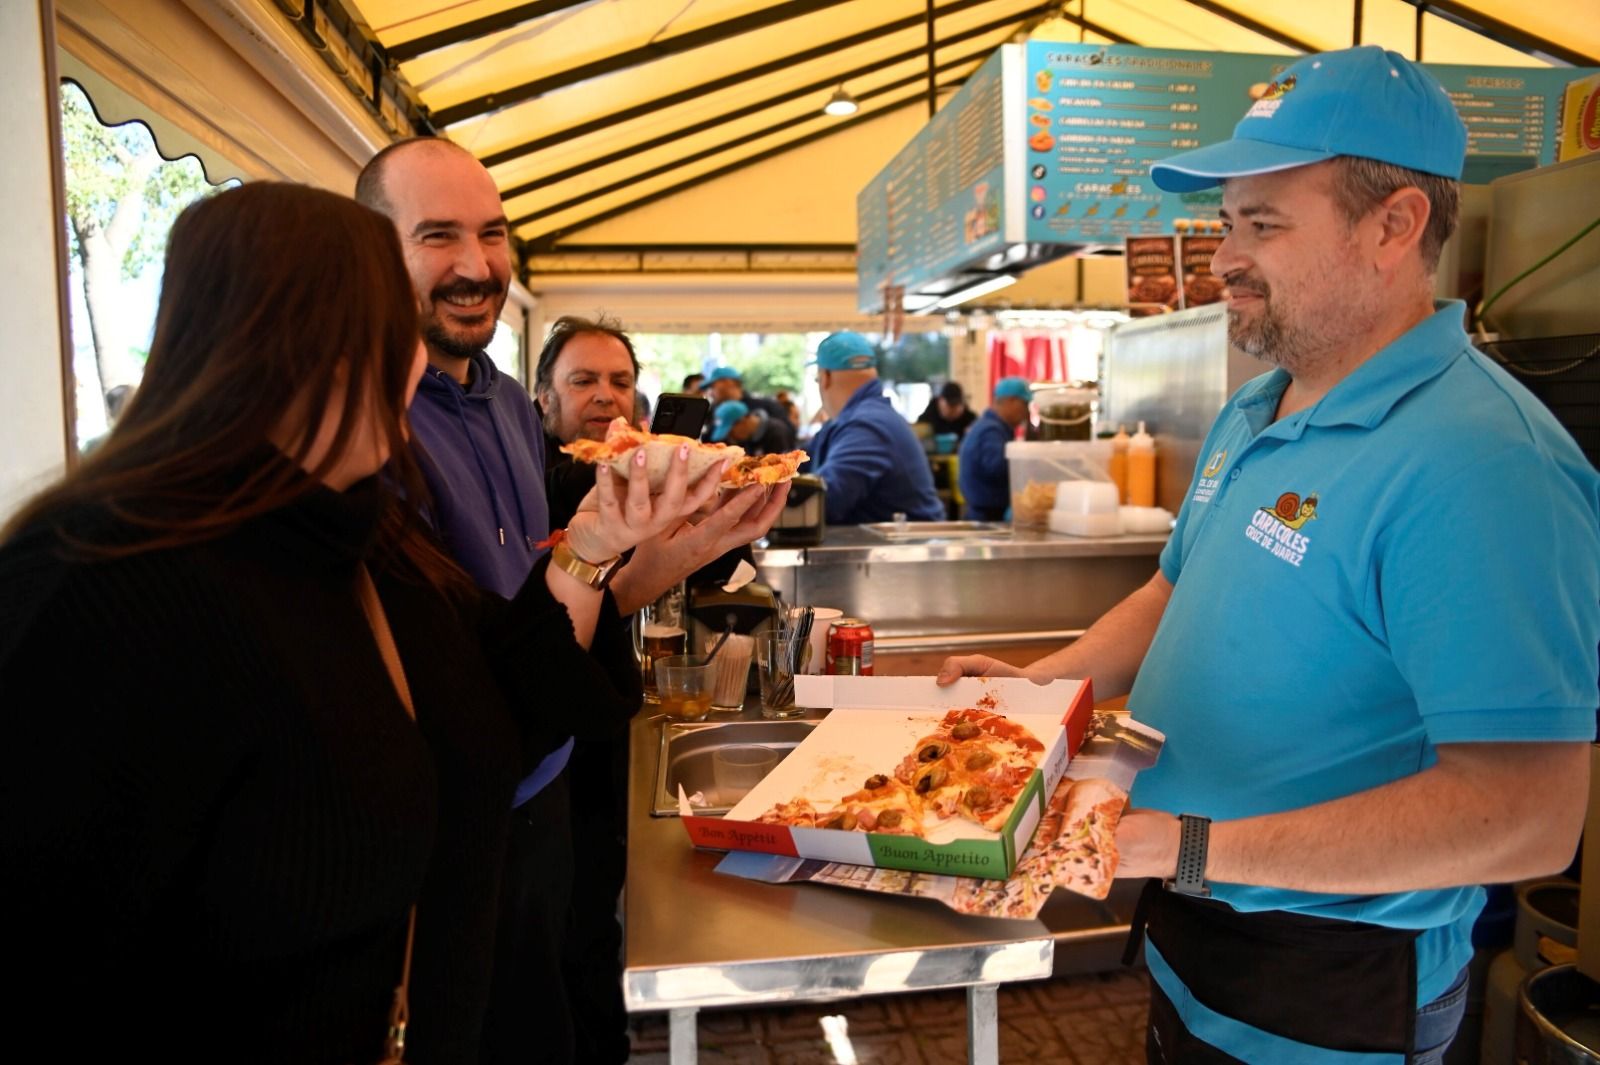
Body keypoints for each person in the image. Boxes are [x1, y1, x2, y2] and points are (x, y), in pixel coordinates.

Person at [938, 47, 1600, 1065]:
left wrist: (1187, 841)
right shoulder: (1259, 405)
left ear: (1394, 226)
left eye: (1263, 224)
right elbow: (1175, 589)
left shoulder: (1484, 462)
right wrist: (1041, 687)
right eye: (1225, 222)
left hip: (1336, 965)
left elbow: (1523, 818)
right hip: (1194, 920)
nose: (1220, 259)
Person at [0, 182, 719, 1064]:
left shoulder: (361, 536)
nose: (418, 366)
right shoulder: (97, 587)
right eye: (397, 329)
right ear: (314, 341)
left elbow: (505, 693)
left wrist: (597, 544)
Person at [355, 135, 592, 1064]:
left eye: (492, 234)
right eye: (439, 236)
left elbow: (540, 583)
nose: (477, 265)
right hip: (446, 823)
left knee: (548, 1017)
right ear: (376, 253)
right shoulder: (365, 415)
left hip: (547, 783)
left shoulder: (503, 400)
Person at [531, 312, 788, 1064]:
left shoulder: (641, 474)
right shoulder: (542, 481)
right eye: (583, 381)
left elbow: (667, 582)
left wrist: (719, 526)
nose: (605, 396)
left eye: (620, 381)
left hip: (600, 723)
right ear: (544, 397)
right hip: (543, 740)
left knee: (593, 925)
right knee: (564, 938)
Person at [803, 331, 944, 525]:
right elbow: (798, 461)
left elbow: (825, 499)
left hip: (904, 551)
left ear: (825, 377)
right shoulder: (854, 420)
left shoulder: (867, 426)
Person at [958, 377, 1031, 520]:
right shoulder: (991, 431)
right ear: (1011, 401)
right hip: (988, 517)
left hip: (985, 513)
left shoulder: (988, 426)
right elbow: (997, 467)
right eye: (1025, 404)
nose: (1026, 411)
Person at [709, 398, 798, 456]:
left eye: (731, 433)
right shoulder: (748, 437)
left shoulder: (778, 433)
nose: (731, 438)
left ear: (743, 421)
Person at [705, 365, 787, 425]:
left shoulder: (768, 407)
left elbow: (788, 436)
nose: (711, 393)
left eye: (712, 386)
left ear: (728, 383)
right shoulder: (713, 412)